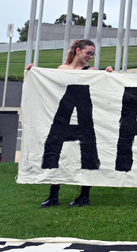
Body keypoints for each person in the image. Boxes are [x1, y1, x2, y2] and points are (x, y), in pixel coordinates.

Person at [31, 39, 112, 208]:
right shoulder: (62, 69)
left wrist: (108, 74)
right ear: (78, 50)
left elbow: (102, 87)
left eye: (92, 54)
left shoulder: (91, 71)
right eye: (88, 52)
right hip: (63, 118)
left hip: (83, 118)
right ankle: (53, 196)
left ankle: (84, 195)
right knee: (57, 154)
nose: (90, 56)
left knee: (86, 156)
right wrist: (33, 73)